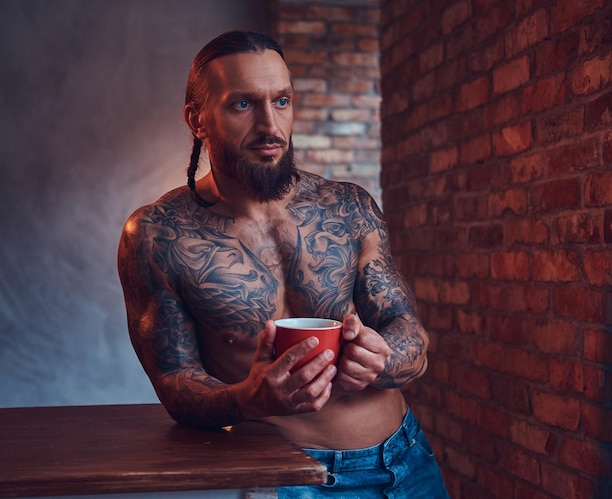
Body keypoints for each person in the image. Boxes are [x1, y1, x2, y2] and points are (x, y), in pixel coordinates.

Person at [118, 30, 449, 498]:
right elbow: (174, 383)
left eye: (282, 101)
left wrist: (381, 359)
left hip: (404, 461)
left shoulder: (349, 207)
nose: (270, 125)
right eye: (243, 105)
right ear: (198, 120)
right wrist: (248, 399)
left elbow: (409, 333)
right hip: (288, 481)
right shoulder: (157, 234)